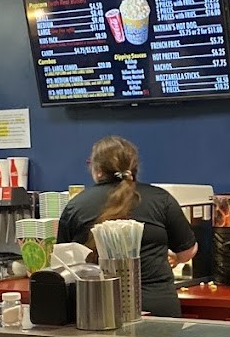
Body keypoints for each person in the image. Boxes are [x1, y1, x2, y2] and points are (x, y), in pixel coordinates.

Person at [57, 135, 197, 318]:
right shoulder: (161, 199)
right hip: (158, 308)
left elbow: (63, 262)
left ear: (97, 170)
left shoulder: (76, 206)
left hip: (97, 310)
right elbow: (188, 251)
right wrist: (175, 259)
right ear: (134, 167)